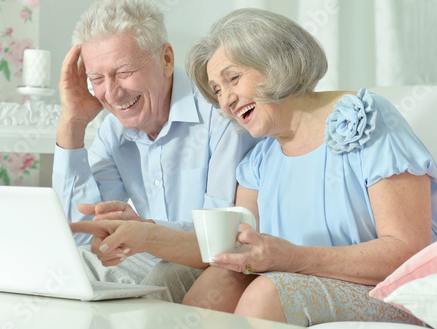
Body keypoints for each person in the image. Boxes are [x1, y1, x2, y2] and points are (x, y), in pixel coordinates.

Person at [177, 8, 437, 326]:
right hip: (298, 284)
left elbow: (407, 251)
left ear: (276, 64)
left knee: (267, 293)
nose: (225, 101)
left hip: (392, 293)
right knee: (215, 282)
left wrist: (293, 257)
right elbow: (243, 254)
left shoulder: (366, 118)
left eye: (233, 79)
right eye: (217, 90)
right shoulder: (257, 162)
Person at [52, 0, 259, 303]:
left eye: (123, 72)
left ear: (166, 59)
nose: (111, 92)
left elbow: (223, 234)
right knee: (64, 268)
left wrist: (144, 232)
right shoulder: (114, 131)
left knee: (161, 279)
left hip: (214, 261)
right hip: (149, 256)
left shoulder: (222, 114)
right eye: (97, 79)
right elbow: (79, 235)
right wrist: (72, 123)